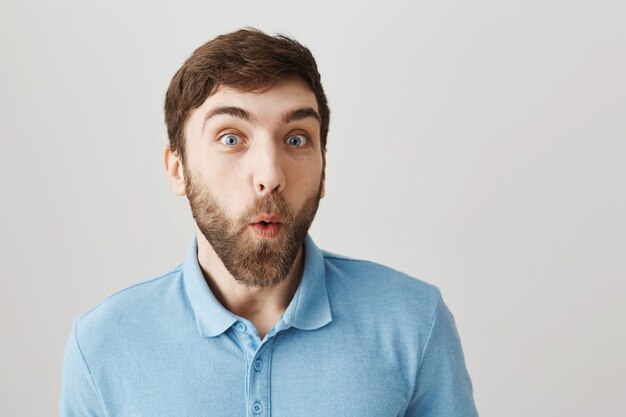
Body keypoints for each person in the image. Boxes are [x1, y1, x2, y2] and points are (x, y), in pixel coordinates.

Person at [60, 28, 478, 417]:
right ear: (177, 168)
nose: (270, 175)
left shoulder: (414, 323)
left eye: (296, 139)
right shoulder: (102, 345)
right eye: (230, 138)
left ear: (324, 169)